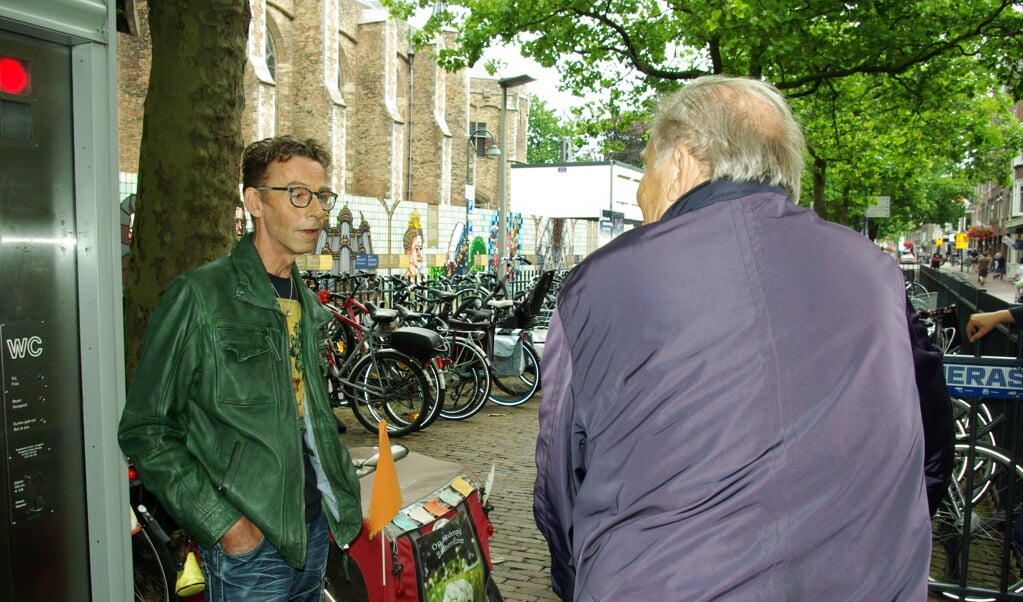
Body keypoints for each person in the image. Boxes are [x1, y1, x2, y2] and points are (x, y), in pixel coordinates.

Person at [533, 76, 953, 601]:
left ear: (682, 161)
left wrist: (580, 583)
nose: (641, 190)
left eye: (645, 166)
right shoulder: (878, 273)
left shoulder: (602, 282)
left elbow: (560, 485)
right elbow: (933, 440)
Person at [119, 136, 363, 600]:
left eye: (323, 196)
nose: (317, 211)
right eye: (297, 194)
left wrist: (337, 505)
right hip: (250, 548)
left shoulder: (307, 304)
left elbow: (308, 421)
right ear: (255, 201)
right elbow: (146, 430)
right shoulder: (200, 296)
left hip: (314, 532)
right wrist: (225, 525)